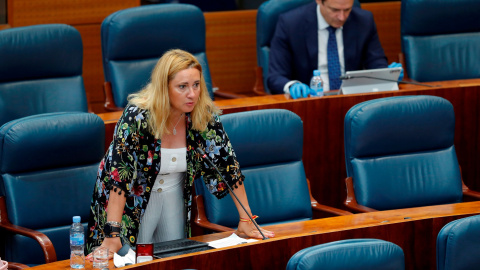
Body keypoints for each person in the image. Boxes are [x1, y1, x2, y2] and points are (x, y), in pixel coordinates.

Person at [85, 49, 275, 258]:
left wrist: (246, 219)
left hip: (174, 195)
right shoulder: (137, 116)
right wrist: (112, 233)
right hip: (128, 200)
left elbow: (228, 166)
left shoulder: (202, 115)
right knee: (128, 260)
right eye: (182, 87)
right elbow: (119, 177)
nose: (192, 94)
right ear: (164, 88)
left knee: (174, 259)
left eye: (196, 85)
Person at [267, 0, 403, 99]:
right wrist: (291, 86)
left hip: (353, 101)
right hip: (310, 102)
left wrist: (387, 75)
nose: (342, 17)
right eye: (335, 10)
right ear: (319, 1)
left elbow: (376, 62)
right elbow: (275, 76)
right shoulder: (291, 23)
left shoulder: (364, 21)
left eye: (347, 10)